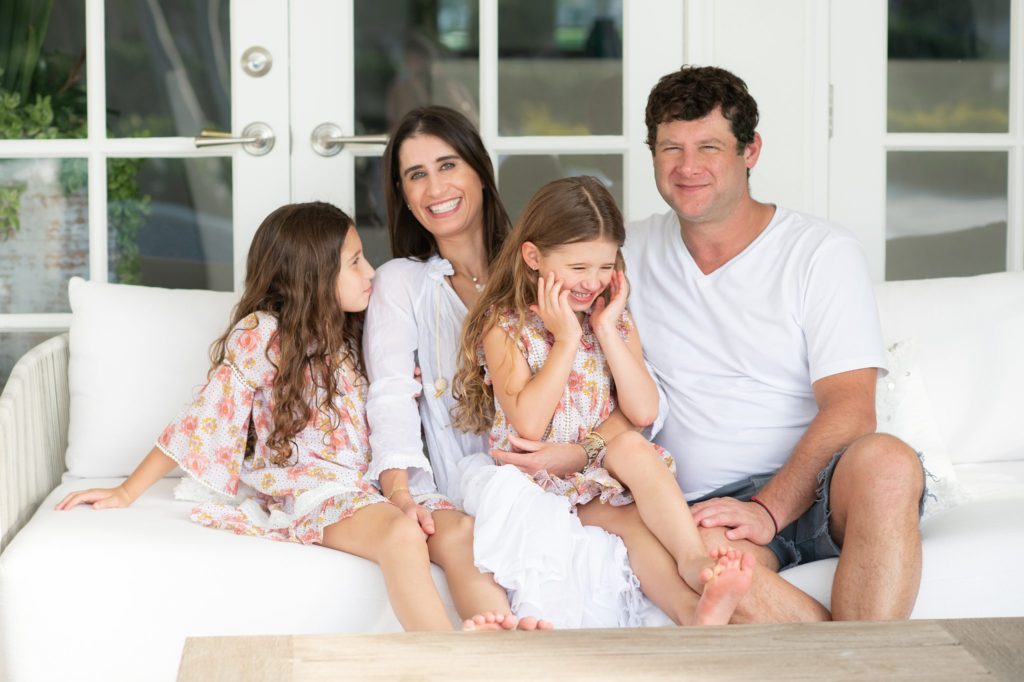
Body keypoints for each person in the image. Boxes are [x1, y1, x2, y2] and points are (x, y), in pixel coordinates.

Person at [55, 201, 538, 632]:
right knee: (401, 534)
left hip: (373, 482)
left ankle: (500, 650)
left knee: (459, 531)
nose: (371, 272)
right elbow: (202, 418)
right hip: (315, 488)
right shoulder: (264, 335)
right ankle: (445, 659)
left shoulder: (355, 331)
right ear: (313, 275)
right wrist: (125, 491)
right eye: (355, 262)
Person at [622, 65, 926, 620]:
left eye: (709, 147)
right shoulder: (625, 252)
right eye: (671, 149)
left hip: (821, 488)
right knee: (710, 569)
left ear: (751, 151)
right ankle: (865, 660)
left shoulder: (821, 252)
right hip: (708, 509)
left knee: (889, 462)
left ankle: (862, 656)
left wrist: (769, 508)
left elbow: (852, 409)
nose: (687, 167)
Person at [452, 175, 755, 625]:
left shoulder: (612, 320)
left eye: (604, 266)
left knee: (632, 451)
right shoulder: (506, 325)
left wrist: (607, 330)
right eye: (578, 267)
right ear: (533, 257)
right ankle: (693, 610)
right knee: (630, 521)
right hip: (537, 480)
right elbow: (529, 424)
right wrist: (566, 339)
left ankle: (695, 569)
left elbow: (644, 411)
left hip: (596, 472)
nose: (592, 282)